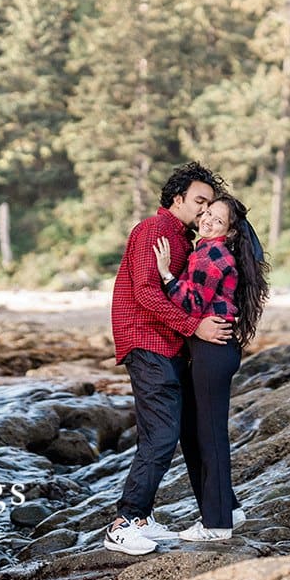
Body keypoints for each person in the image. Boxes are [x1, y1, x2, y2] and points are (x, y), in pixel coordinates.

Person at [105, 163, 234, 556]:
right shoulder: (153, 231)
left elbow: (196, 288)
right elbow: (146, 292)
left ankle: (143, 519)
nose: (204, 210)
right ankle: (124, 523)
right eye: (199, 201)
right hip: (148, 343)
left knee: (170, 432)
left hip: (170, 345)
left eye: (210, 204)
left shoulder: (186, 240)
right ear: (176, 199)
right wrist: (195, 326)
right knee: (161, 435)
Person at [151, 192, 269, 541]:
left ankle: (217, 525)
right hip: (209, 351)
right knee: (197, 431)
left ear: (230, 232)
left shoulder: (214, 254)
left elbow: (191, 302)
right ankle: (227, 508)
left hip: (211, 351)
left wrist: (165, 276)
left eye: (217, 220)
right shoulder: (206, 250)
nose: (207, 221)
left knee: (211, 436)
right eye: (206, 214)